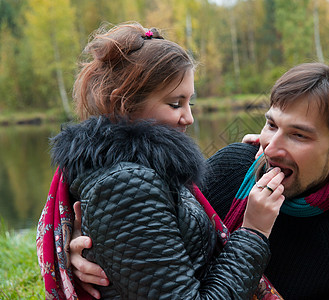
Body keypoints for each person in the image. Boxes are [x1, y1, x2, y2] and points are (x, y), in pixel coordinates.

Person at [69, 61, 329, 299]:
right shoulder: (235, 167)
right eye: (271, 124)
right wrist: (86, 248)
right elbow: (150, 229)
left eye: (298, 135)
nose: (271, 147)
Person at [36, 22, 287, 299]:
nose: (188, 118)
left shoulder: (142, 172)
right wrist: (253, 232)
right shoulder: (127, 186)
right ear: (125, 104)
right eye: (175, 104)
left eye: (190, 102)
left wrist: (246, 157)